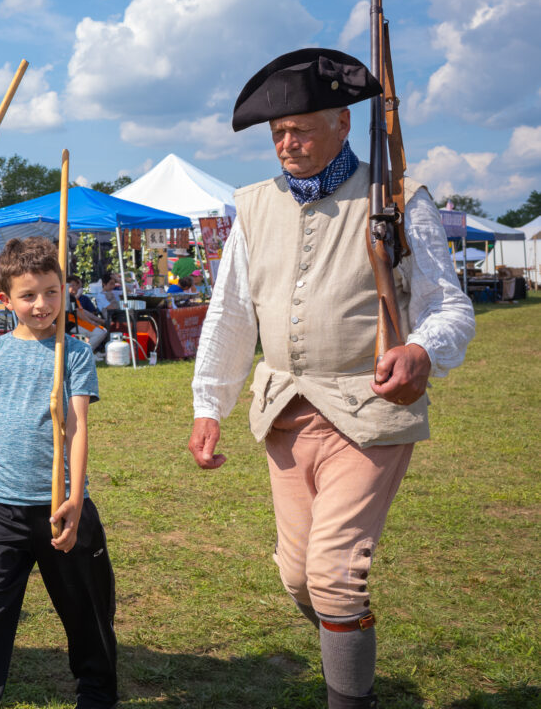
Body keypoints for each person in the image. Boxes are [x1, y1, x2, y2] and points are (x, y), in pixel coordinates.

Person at [187, 48, 475, 709]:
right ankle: (348, 655)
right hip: (284, 411)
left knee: (335, 575)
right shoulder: (253, 207)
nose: (287, 143)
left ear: (344, 124)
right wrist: (211, 405)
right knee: (299, 579)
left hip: (369, 411)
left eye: (302, 129)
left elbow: (448, 305)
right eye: (278, 133)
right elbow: (232, 313)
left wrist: (421, 353)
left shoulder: (398, 197)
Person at [0, 237, 116, 709]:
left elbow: (76, 428)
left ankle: (96, 696)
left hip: (62, 508)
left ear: (64, 290)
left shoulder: (72, 353)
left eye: (52, 292)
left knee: (87, 613)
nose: (42, 305)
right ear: (5, 300)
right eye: (29, 295)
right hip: (4, 509)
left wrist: (74, 499)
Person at [66, 275, 108, 352]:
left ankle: (92, 353)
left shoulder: (73, 298)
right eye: (72, 285)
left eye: (76, 285)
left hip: (78, 323)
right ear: (66, 286)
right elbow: (78, 313)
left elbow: (83, 311)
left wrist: (97, 321)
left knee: (102, 330)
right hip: (71, 324)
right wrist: (91, 322)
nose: (75, 287)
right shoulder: (69, 297)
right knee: (100, 333)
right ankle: (85, 353)